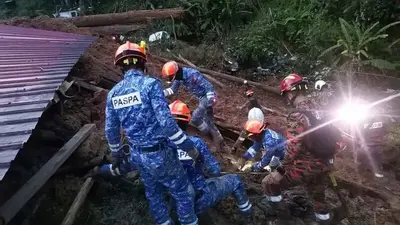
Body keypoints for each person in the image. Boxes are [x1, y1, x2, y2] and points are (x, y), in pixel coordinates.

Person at [105, 41, 199, 225]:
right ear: (143, 63)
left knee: (153, 194)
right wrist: (189, 148)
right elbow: (167, 124)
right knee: (182, 191)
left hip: (137, 155)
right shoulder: (150, 85)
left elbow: (111, 129)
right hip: (160, 155)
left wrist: (116, 154)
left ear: (120, 68)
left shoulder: (113, 94)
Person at [257, 73, 339, 225]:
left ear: (292, 92)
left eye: (286, 94)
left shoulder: (297, 115)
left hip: (307, 165)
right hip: (324, 162)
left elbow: (293, 147)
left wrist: (281, 170)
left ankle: (284, 219)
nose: (287, 98)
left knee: (269, 183)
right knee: (318, 197)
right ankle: (325, 221)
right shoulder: (319, 108)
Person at [169, 100, 255, 224]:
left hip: (174, 200)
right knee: (235, 180)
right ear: (187, 121)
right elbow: (214, 171)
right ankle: (247, 217)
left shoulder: (161, 145)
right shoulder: (195, 143)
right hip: (198, 199)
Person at [161, 61, 225, 151]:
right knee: (208, 121)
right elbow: (172, 90)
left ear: (175, 73)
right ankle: (219, 140)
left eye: (170, 77)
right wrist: (159, 93)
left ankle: (210, 137)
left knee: (195, 118)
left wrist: (210, 101)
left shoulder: (192, 74)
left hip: (207, 96)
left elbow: (209, 87)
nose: (170, 79)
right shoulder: (179, 78)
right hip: (201, 98)